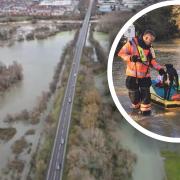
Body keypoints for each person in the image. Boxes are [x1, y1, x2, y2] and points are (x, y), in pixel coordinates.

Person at [118, 30, 165, 115]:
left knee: (146, 98)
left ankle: (146, 115)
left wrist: (160, 69)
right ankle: (136, 110)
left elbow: (153, 62)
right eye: (150, 41)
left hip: (145, 76)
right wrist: (130, 58)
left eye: (152, 41)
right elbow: (121, 54)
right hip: (132, 76)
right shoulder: (131, 43)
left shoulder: (150, 48)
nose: (151, 43)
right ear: (145, 37)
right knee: (135, 98)